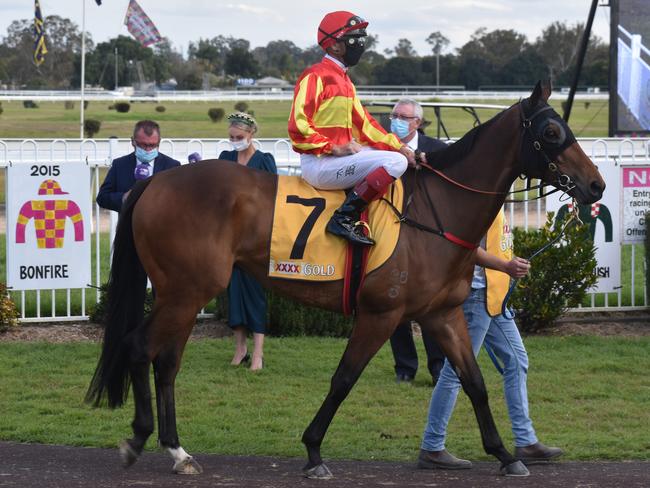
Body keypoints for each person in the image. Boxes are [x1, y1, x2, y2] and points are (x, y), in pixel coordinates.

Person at [418, 209, 564, 470]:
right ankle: (432, 446)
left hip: (494, 295)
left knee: (517, 361)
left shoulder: (493, 193)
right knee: (456, 371)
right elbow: (465, 248)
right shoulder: (478, 196)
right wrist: (505, 266)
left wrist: (507, 266)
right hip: (477, 295)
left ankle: (526, 442)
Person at [288, 10, 415, 247]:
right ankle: (344, 218)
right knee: (396, 164)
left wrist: (401, 146)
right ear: (335, 46)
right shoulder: (315, 75)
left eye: (362, 37)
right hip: (319, 164)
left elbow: (366, 126)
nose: (362, 44)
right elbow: (298, 126)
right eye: (355, 38)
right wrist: (333, 148)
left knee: (398, 157)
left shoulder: (345, 81)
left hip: (337, 161)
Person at [388, 99, 447, 385]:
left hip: (427, 238)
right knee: (392, 298)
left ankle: (438, 366)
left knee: (429, 304)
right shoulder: (382, 144)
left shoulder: (438, 150)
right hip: (391, 233)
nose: (397, 120)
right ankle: (405, 367)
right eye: (394, 115)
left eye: (403, 117)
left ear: (417, 123)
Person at [219, 112, 277, 371]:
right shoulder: (226, 158)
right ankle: (240, 348)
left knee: (255, 292)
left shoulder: (264, 160)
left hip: (256, 238)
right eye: (231, 137)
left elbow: (273, 196)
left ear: (251, 134)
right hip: (231, 236)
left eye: (239, 137)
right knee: (234, 292)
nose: (234, 141)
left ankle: (258, 353)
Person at [96, 120, 180, 212]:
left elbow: (180, 200)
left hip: (161, 224)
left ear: (159, 142)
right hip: (129, 225)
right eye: (143, 145)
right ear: (133, 141)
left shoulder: (172, 166)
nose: (148, 149)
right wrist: (124, 198)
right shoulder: (119, 165)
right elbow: (102, 198)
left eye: (153, 145)